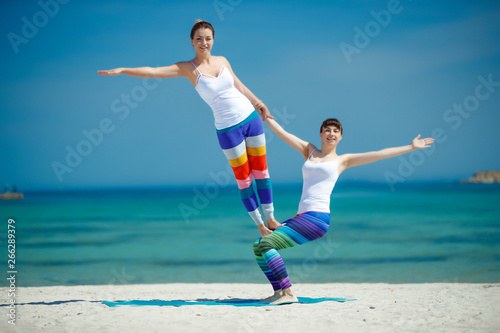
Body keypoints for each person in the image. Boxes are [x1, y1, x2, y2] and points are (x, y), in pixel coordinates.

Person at [97, 20, 280, 237]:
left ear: (213, 40)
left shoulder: (223, 61)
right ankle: (260, 226)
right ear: (192, 41)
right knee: (245, 179)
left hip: (251, 120)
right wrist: (123, 70)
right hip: (227, 130)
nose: (204, 43)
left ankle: (271, 218)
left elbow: (239, 86)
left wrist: (258, 103)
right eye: (199, 39)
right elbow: (153, 72)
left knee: (262, 172)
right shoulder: (188, 68)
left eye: (208, 38)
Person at [254, 116, 435, 305]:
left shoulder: (343, 161)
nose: (331, 134)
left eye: (335, 131)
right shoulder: (309, 151)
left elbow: (379, 154)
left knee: (267, 245)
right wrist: (266, 117)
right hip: (301, 217)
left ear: (340, 137)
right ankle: (278, 292)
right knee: (258, 247)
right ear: (321, 134)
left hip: (317, 218)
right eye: (328, 130)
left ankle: (289, 293)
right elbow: (283, 134)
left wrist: (411, 147)